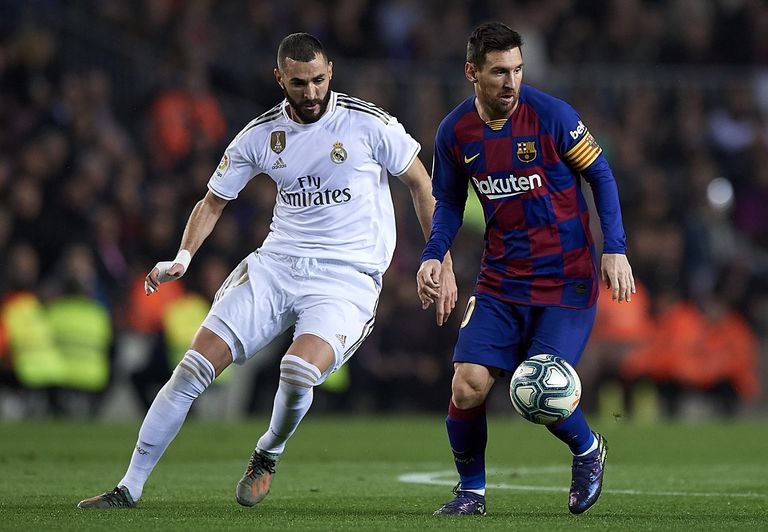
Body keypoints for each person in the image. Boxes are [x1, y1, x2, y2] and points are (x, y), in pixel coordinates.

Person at [78, 32, 457, 509]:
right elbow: (213, 201)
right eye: (299, 83)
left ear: (331, 72)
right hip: (276, 265)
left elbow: (421, 185)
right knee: (191, 369)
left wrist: (438, 258)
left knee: (297, 371)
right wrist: (183, 258)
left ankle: (267, 453)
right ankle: (127, 487)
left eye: (319, 80)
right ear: (280, 78)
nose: (312, 92)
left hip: (347, 277)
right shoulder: (260, 135)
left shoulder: (368, 123)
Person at [417, 22, 635, 516]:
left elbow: (600, 173)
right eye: (498, 72)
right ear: (472, 72)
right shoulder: (455, 133)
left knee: (535, 388)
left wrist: (615, 248)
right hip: (501, 282)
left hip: (565, 281)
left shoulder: (552, 116)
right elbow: (448, 202)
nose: (510, 82)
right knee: (467, 383)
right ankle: (471, 492)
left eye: (517, 70)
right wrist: (434, 252)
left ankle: (587, 449)